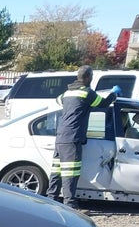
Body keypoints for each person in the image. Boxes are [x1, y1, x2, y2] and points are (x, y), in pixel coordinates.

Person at [46, 66, 120, 210]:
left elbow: (58, 100)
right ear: (87, 78)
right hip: (72, 137)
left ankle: (50, 199)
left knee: (57, 170)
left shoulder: (68, 93)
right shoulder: (87, 93)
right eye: (91, 76)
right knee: (70, 173)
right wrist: (113, 94)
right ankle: (70, 205)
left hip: (61, 135)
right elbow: (104, 104)